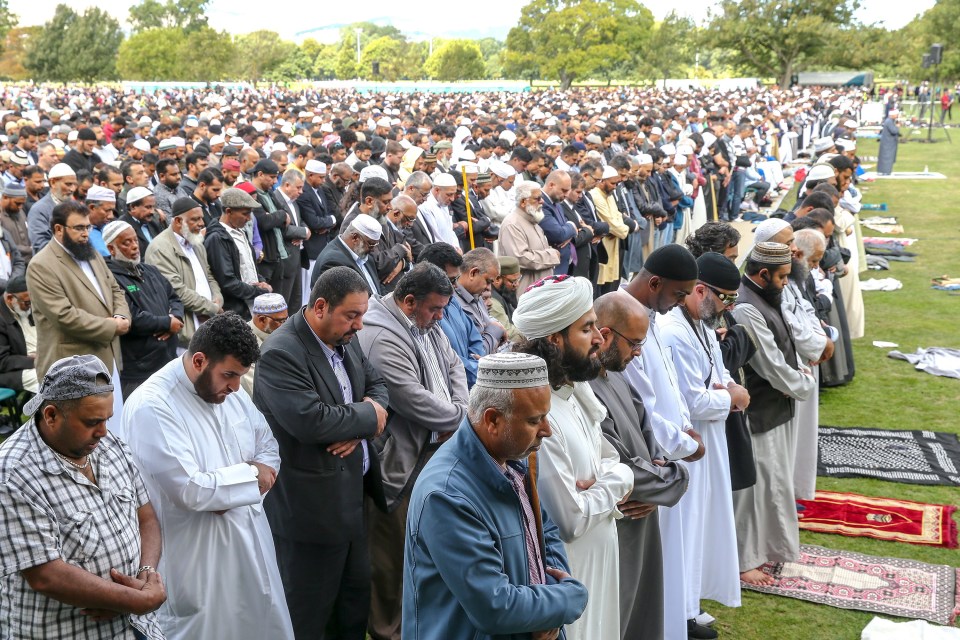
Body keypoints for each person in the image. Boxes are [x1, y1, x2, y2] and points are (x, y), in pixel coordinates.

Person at [121, 313, 294, 639]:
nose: (234, 386)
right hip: (197, 558)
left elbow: (268, 447)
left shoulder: (231, 391)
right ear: (199, 360)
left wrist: (239, 484)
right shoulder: (153, 406)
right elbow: (191, 490)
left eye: (239, 376)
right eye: (229, 375)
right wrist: (250, 479)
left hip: (252, 539)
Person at [403, 352, 589, 639]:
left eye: (546, 416)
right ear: (492, 420)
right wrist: (569, 598)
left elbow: (545, 533)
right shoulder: (447, 494)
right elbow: (494, 607)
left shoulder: (513, 461)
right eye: (534, 420)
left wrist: (545, 609)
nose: (547, 431)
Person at [253, 267, 389, 640]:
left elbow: (377, 384)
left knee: (352, 606)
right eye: (352, 315)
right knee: (310, 617)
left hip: (352, 501)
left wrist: (358, 428)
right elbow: (311, 421)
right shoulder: (281, 352)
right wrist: (366, 417)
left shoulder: (345, 337)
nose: (360, 325)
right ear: (320, 307)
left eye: (362, 315)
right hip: (310, 513)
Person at [0, 355, 165, 639]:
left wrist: (145, 574)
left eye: (106, 420)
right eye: (92, 422)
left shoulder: (110, 444)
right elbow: (45, 575)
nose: (102, 432)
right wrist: (133, 599)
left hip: (134, 626)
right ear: (50, 415)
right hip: (64, 632)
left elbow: (146, 517)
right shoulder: (13, 473)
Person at [512, 275, 634, 640]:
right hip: (570, 569)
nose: (600, 338)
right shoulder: (538, 414)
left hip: (600, 557)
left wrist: (611, 478)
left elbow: (611, 457)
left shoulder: (574, 389)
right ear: (554, 339)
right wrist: (620, 481)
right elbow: (570, 520)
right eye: (587, 329)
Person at [357, 263, 469, 640]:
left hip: (434, 451)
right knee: (392, 557)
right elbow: (411, 399)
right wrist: (461, 417)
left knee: (424, 550)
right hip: (398, 467)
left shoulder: (426, 324)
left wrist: (460, 410)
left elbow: (454, 365)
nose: (441, 318)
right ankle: (390, 631)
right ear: (408, 302)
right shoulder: (381, 335)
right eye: (435, 310)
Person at [620, 243, 712, 640]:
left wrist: (686, 428)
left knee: (673, 556)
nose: (679, 304)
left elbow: (666, 388)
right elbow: (639, 407)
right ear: (655, 282)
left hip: (671, 452)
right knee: (658, 564)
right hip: (653, 459)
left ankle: (679, 620)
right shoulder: (624, 319)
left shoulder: (652, 314)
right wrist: (685, 444)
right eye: (677, 294)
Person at [589, 291, 688, 640]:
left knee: (644, 614)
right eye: (633, 342)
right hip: (619, 520)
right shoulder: (586, 388)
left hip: (643, 511)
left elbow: (650, 444)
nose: (638, 352)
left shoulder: (617, 374)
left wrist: (660, 477)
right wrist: (674, 478)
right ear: (604, 334)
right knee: (618, 617)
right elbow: (620, 464)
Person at [660, 252, 749, 629]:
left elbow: (719, 370)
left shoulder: (702, 323)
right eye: (725, 298)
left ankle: (691, 602)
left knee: (703, 523)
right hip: (688, 441)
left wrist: (728, 386)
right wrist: (732, 398)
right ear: (699, 290)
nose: (728, 308)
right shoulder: (673, 330)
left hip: (711, 435)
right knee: (687, 524)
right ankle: (679, 611)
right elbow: (691, 398)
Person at [731, 242, 817, 586]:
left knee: (773, 484)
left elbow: (785, 347)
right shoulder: (746, 306)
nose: (785, 283)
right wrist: (803, 384)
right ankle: (741, 561)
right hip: (757, 412)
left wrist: (797, 378)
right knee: (752, 491)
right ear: (762, 273)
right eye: (781, 277)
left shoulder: (766, 296)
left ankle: (767, 550)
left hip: (776, 407)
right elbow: (769, 364)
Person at [27, 200, 130, 380]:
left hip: (107, 358)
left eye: (88, 227)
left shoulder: (91, 253)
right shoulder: (41, 266)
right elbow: (64, 316)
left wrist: (121, 316)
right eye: (79, 228)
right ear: (59, 229)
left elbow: (114, 289)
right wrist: (112, 326)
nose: (85, 234)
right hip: (73, 366)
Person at [104, 220, 184, 399]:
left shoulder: (150, 270)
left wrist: (175, 318)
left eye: (135, 240)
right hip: (139, 367)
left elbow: (174, 297)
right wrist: (166, 323)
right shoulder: (109, 278)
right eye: (126, 243)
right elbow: (132, 318)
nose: (134, 246)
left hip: (167, 357)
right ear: (111, 249)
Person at [145, 197, 223, 348]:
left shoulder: (196, 242)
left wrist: (218, 298)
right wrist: (212, 307)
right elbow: (176, 290)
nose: (202, 223)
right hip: (187, 330)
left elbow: (209, 275)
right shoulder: (160, 248)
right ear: (178, 221)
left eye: (201, 218)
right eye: (195, 219)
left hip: (209, 321)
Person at [204, 187, 272, 319]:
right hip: (236, 311)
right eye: (245, 214)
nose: (249, 219)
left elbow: (248, 267)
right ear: (229, 211)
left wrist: (261, 282)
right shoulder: (217, 238)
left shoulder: (240, 231)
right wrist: (259, 291)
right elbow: (227, 282)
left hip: (250, 307)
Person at [497, 180, 560, 296]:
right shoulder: (512, 224)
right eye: (537, 198)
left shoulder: (533, 220)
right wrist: (551, 255)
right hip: (527, 290)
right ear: (523, 202)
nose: (542, 201)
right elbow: (520, 258)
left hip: (541, 289)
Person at [310, 216, 384, 297]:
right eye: (371, 244)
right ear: (355, 238)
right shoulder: (333, 262)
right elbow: (346, 304)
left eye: (376, 244)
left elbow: (377, 288)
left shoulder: (365, 257)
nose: (373, 249)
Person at [454, 247, 505, 354]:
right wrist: (495, 331)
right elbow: (476, 354)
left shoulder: (475, 295)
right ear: (473, 273)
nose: (488, 287)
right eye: (487, 281)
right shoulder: (454, 306)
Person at [240, 292, 288, 395]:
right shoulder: (243, 343)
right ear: (262, 319)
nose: (285, 325)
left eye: (286, 319)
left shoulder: (284, 334)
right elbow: (257, 392)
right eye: (281, 321)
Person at [28, 163, 78, 254]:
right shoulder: (39, 210)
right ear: (53, 182)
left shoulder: (76, 207)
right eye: (68, 184)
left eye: (74, 184)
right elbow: (40, 245)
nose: (72, 189)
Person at [0, 275, 38, 394]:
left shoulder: (25, 307)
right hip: (11, 372)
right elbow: (2, 361)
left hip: (40, 360)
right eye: (27, 303)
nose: (30, 307)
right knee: (51, 379)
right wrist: (34, 361)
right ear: (10, 298)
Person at [490, 255, 521, 343]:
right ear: (497, 279)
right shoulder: (492, 302)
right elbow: (510, 334)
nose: (517, 284)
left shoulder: (505, 293)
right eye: (513, 281)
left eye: (518, 279)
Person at [877, 109, 900, 175]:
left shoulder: (889, 121)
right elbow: (894, 131)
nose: (897, 116)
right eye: (896, 114)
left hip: (888, 142)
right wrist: (897, 127)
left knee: (886, 158)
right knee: (887, 158)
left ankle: (884, 171)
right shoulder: (889, 121)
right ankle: (886, 171)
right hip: (888, 143)